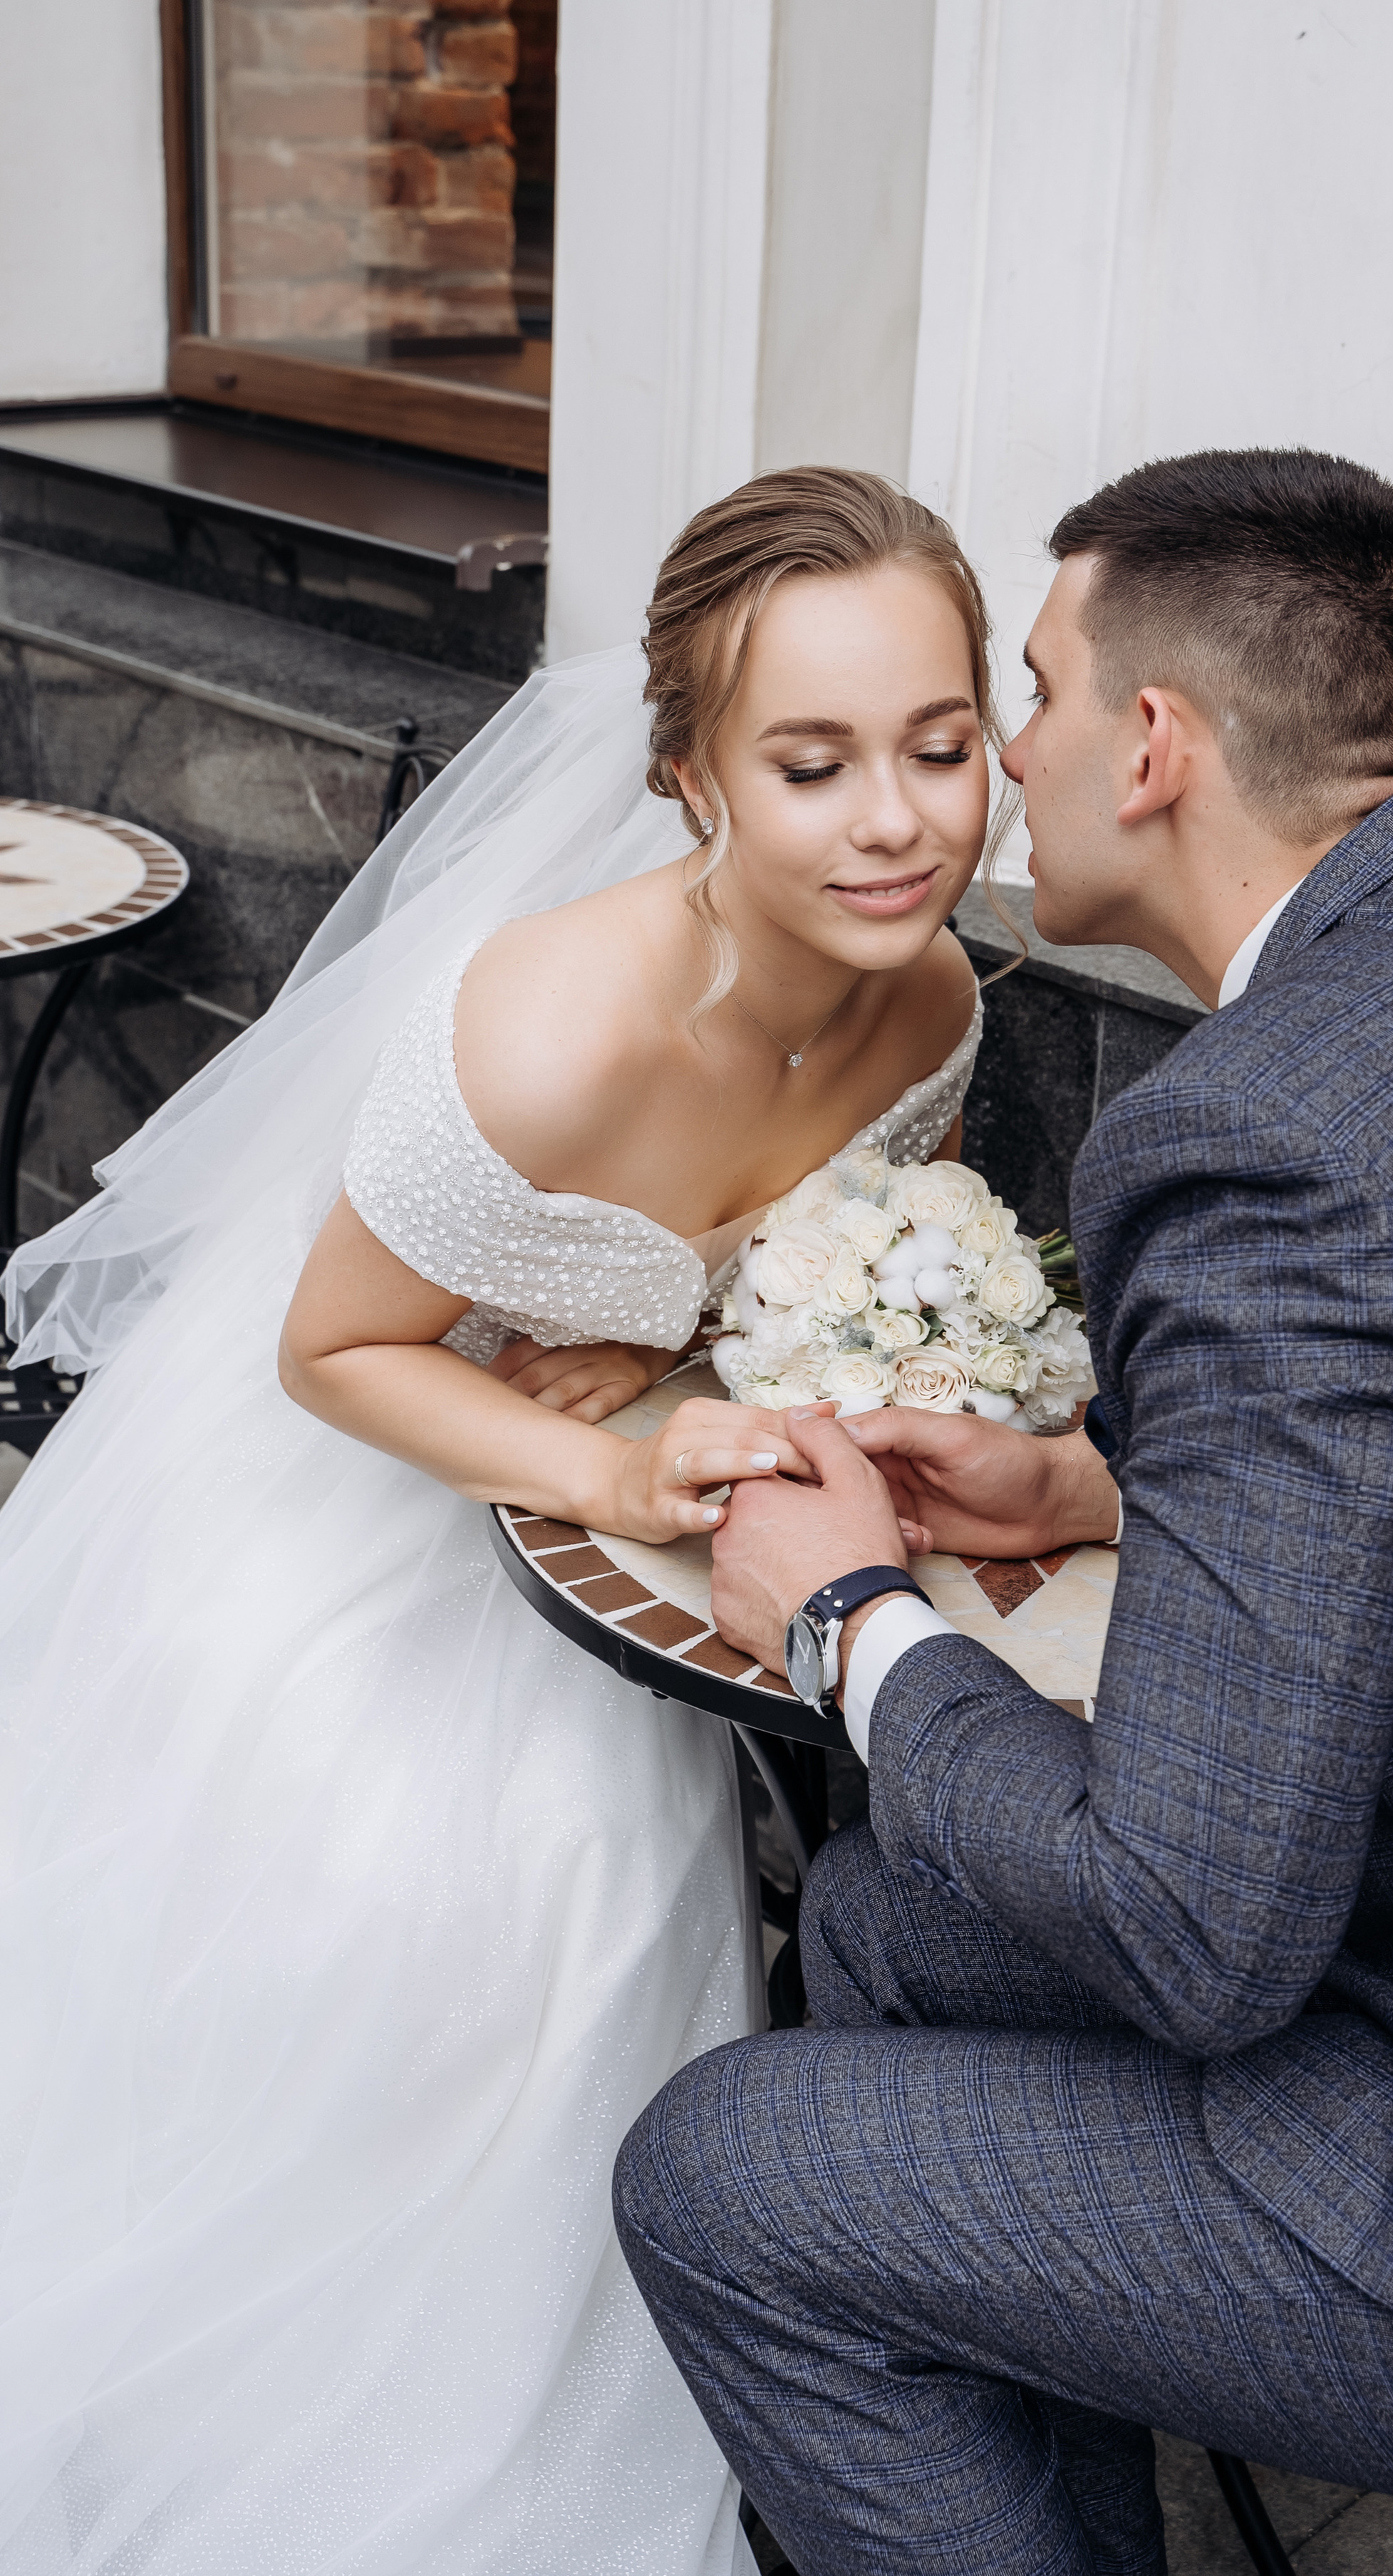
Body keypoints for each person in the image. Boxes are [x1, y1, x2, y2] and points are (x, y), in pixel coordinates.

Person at [614, 448, 1393, 2576]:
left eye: (1038, 694)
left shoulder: (1265, 1139)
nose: (1006, 752)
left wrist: (848, 1618)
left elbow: (1197, 1933)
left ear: (1152, 749)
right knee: (899, 1920)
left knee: (722, 2180)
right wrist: (1092, 1476)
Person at [0, 468, 1000, 2576]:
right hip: (348, 1509)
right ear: (690, 776)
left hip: (608, 1512)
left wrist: (702, 1334)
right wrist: (616, 1455)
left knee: (617, 1928)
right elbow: (335, 1349)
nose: (898, 819)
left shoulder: (936, 1003)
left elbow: (823, 1255)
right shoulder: (552, 1032)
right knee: (443, 1909)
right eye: (812, 765)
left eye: (941, 743)